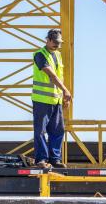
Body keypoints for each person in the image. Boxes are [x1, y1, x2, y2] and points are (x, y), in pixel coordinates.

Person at [31, 29, 72, 168]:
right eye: (54, 42)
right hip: (41, 100)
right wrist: (65, 90)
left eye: (59, 43)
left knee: (58, 130)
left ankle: (55, 159)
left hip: (56, 100)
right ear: (47, 40)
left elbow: (59, 76)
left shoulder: (57, 55)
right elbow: (52, 76)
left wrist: (62, 97)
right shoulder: (39, 55)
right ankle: (41, 159)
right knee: (40, 131)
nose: (57, 45)